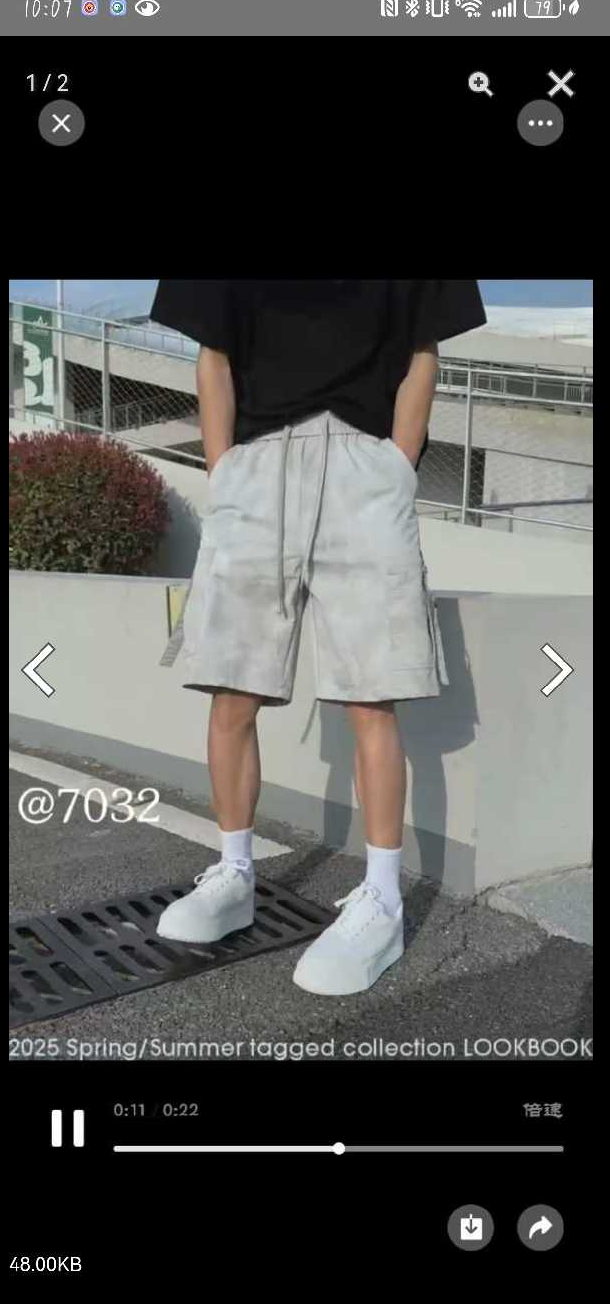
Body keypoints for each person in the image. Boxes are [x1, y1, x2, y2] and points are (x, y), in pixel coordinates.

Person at [149, 279, 486, 995]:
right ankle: (234, 874)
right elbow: (213, 352)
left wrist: (398, 464)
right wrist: (222, 468)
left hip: (367, 463)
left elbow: (422, 346)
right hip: (254, 464)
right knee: (231, 689)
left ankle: (382, 901)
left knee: (372, 696)